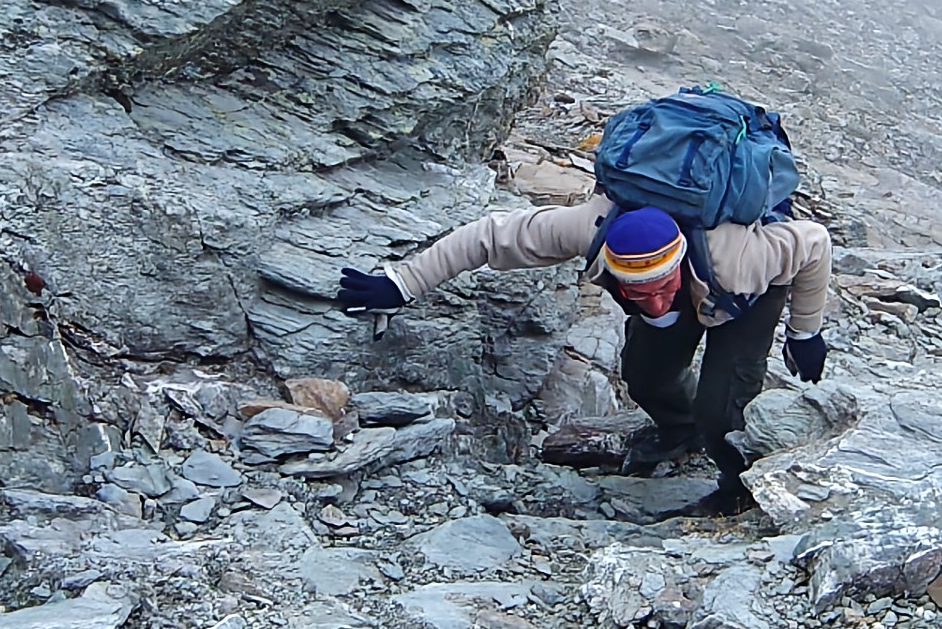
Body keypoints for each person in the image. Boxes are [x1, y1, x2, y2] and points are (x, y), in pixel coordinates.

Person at [335, 197, 831, 516]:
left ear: (680, 261)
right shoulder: (589, 227)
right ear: (608, 266)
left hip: (741, 296)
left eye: (659, 288)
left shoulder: (746, 256)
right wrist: (403, 282)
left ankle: (740, 488)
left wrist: (805, 331)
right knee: (643, 376)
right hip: (691, 285)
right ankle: (680, 431)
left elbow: (815, 243)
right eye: (638, 291)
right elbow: (489, 236)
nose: (653, 301)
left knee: (723, 407)